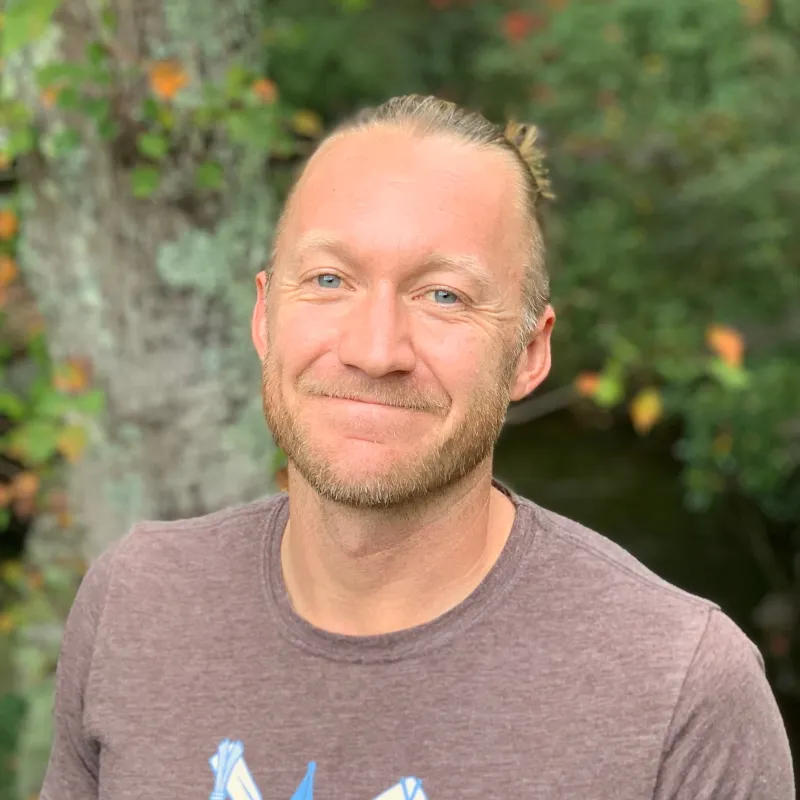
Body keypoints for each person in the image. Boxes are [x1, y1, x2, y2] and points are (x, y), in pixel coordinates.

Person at [41, 95, 793, 800]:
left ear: (530, 352)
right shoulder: (138, 603)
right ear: (266, 317)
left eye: (443, 297)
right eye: (331, 279)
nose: (375, 350)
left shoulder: (679, 688)